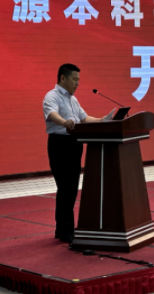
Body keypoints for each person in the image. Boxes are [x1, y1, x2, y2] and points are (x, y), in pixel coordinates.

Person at [42, 63, 102, 243]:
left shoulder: (73, 99)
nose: (77, 83)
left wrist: (103, 120)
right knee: (65, 187)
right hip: (60, 144)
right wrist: (64, 122)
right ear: (63, 78)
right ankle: (67, 230)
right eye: (75, 79)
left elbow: (84, 118)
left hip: (75, 143)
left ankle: (61, 229)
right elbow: (52, 114)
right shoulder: (52, 96)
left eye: (78, 80)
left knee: (72, 187)